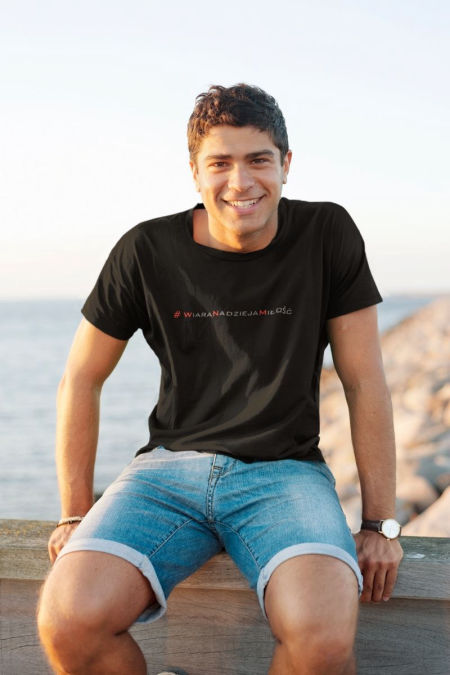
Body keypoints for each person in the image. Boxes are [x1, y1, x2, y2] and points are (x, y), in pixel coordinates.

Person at [37, 83, 403, 675]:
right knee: (68, 621)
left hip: (285, 474)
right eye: (220, 163)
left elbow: (364, 382)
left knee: (322, 643)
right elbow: (81, 377)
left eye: (258, 159)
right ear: (194, 172)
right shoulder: (145, 249)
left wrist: (380, 524)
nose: (241, 181)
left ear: (286, 164)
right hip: (165, 475)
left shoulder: (327, 232)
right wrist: (75, 513)